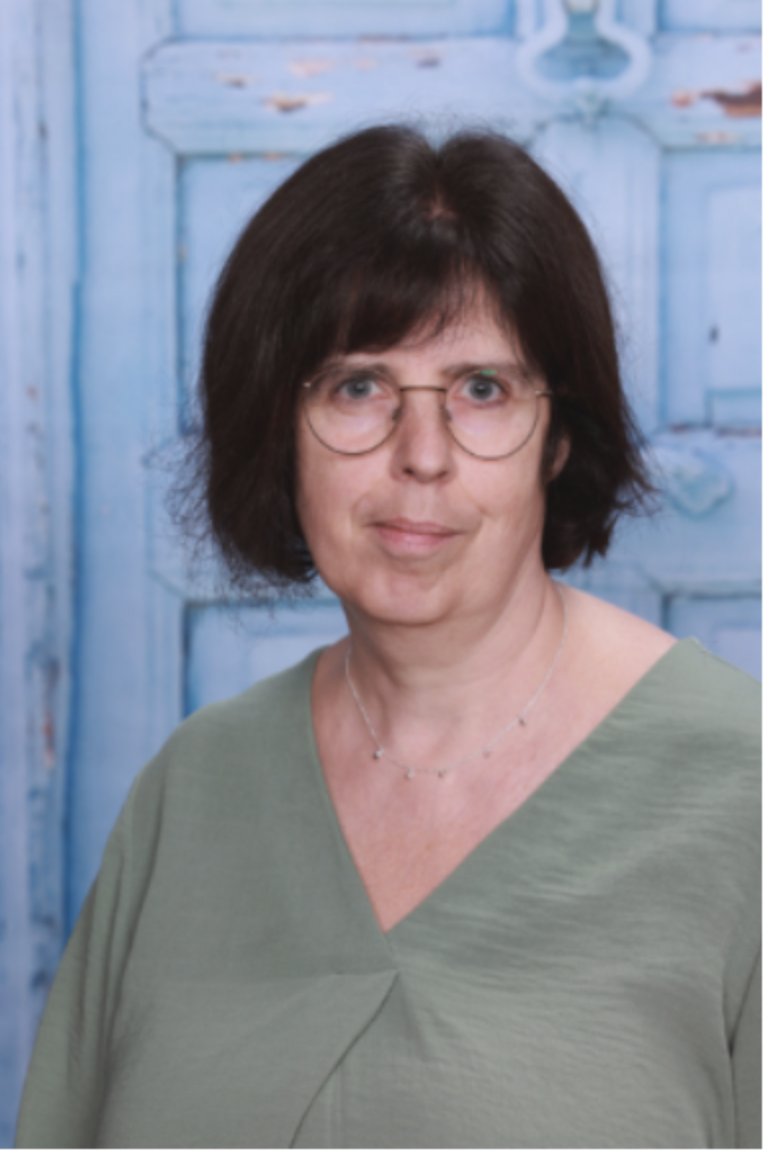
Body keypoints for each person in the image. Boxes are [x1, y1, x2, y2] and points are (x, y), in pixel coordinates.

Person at [16, 125, 760, 1149]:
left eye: (481, 389)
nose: (422, 455)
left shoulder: (740, 789)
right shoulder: (191, 791)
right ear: (279, 428)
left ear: (559, 437)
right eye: (358, 385)